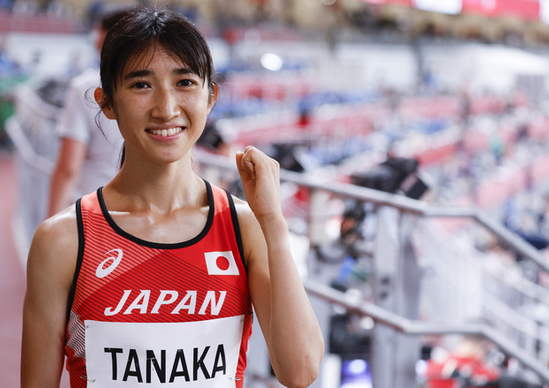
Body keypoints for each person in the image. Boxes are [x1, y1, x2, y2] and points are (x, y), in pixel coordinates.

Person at [21, 6, 324, 388]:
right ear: (106, 101)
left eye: (184, 83)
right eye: (141, 85)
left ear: (210, 96)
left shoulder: (244, 227)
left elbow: (300, 371)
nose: (166, 108)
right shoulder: (63, 241)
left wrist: (273, 224)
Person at [47, 10, 127, 217]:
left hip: (92, 210)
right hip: (140, 213)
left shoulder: (84, 88)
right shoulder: (156, 89)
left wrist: (51, 222)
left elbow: (68, 168)